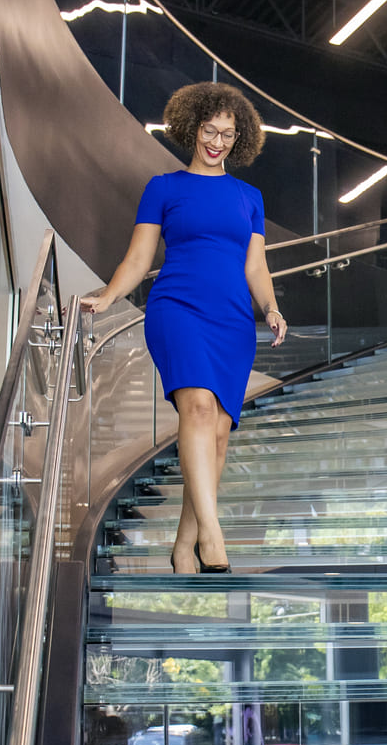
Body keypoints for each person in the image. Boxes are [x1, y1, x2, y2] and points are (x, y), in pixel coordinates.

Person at [80, 82, 286, 573]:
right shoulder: (164, 187)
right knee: (197, 408)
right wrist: (108, 296)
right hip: (177, 309)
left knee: (219, 433)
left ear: (239, 139)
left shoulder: (249, 197)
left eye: (228, 135)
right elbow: (139, 258)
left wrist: (271, 308)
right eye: (210, 131)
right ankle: (213, 537)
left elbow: (255, 265)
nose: (218, 142)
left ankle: (183, 543)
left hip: (233, 320)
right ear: (192, 127)